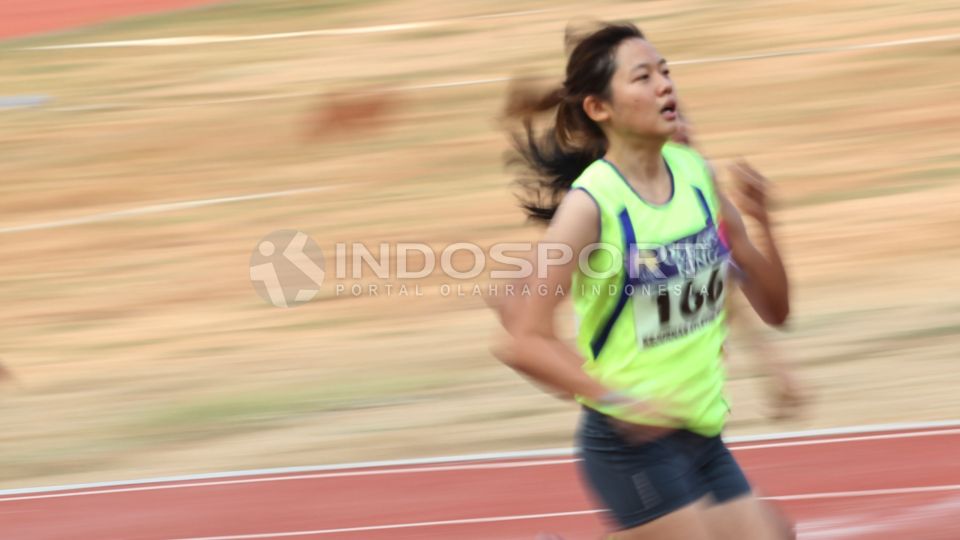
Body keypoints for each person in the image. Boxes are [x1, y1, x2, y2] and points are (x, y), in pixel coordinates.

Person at [493, 22, 794, 539]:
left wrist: (764, 223)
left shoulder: (695, 175)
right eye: (643, 77)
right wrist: (619, 402)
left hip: (698, 432)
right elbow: (521, 340)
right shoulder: (592, 206)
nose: (664, 85)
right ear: (599, 108)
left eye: (666, 71)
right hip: (628, 444)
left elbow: (776, 310)